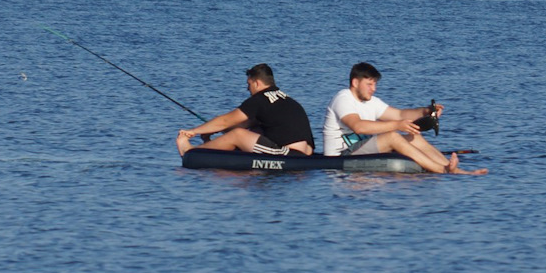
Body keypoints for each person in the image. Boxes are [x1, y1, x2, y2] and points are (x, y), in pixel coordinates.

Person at [323, 62, 486, 174]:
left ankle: (453, 169)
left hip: (360, 148)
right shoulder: (343, 99)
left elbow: (400, 115)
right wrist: (396, 125)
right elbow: (359, 127)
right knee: (393, 136)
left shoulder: (371, 102)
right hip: (340, 156)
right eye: (370, 84)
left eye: (375, 84)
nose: (374, 89)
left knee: (414, 136)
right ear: (355, 83)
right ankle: (442, 170)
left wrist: (426, 111)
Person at [176, 64, 316, 157]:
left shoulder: (260, 99)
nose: (248, 89)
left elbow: (225, 121)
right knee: (248, 131)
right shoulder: (285, 99)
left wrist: (194, 131)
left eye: (248, 85)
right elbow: (242, 125)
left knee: (237, 135)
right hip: (306, 153)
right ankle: (207, 148)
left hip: (288, 154)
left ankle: (191, 152)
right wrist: (209, 132)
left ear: (257, 83)